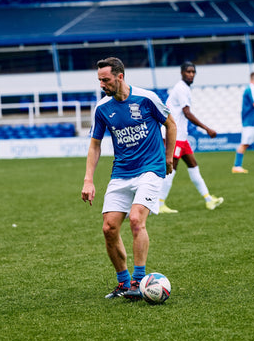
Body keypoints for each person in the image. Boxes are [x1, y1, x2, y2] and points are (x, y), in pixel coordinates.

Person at [81, 57, 177, 300]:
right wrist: (88, 180)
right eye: (99, 80)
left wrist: (168, 159)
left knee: (136, 219)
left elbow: (171, 124)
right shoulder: (102, 109)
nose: (102, 84)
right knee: (109, 228)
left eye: (106, 79)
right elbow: (94, 146)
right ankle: (124, 283)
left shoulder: (147, 98)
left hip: (150, 168)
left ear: (120, 76)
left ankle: (139, 281)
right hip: (122, 172)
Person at [158, 61, 224, 213]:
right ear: (182, 73)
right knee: (170, 169)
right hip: (174, 136)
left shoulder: (184, 88)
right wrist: (207, 129)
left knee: (194, 166)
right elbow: (187, 113)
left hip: (181, 137)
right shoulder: (181, 89)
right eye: (188, 71)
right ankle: (159, 204)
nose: (191, 74)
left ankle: (208, 200)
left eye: (193, 72)